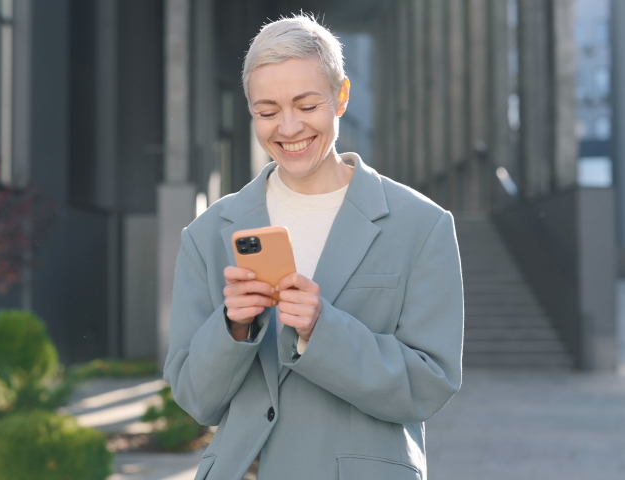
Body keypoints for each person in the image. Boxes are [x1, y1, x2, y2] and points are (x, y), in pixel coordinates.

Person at [163, 14, 464, 480]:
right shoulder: (207, 234)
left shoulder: (421, 226)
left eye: (306, 105)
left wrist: (323, 331)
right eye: (267, 112)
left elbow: (429, 385)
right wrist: (233, 329)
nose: (288, 128)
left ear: (341, 96)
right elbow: (197, 400)